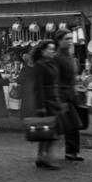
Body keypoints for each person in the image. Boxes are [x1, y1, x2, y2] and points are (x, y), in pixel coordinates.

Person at [53, 29, 84, 161]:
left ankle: (73, 151)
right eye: (66, 39)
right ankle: (70, 151)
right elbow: (57, 79)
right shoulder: (57, 57)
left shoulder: (70, 55)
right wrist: (61, 99)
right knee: (71, 124)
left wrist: (76, 90)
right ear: (59, 41)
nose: (70, 41)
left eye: (71, 38)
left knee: (74, 124)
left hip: (71, 93)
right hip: (64, 95)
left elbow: (72, 76)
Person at [32, 40, 62, 169]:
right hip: (47, 100)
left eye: (53, 49)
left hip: (54, 99)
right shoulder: (40, 65)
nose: (52, 51)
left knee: (49, 130)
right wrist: (41, 106)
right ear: (42, 51)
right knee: (49, 130)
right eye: (50, 49)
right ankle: (45, 157)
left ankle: (42, 157)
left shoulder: (51, 63)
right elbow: (38, 86)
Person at [15, 49, 37, 120]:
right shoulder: (38, 68)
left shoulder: (25, 69)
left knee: (27, 109)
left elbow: (19, 80)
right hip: (36, 92)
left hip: (27, 92)